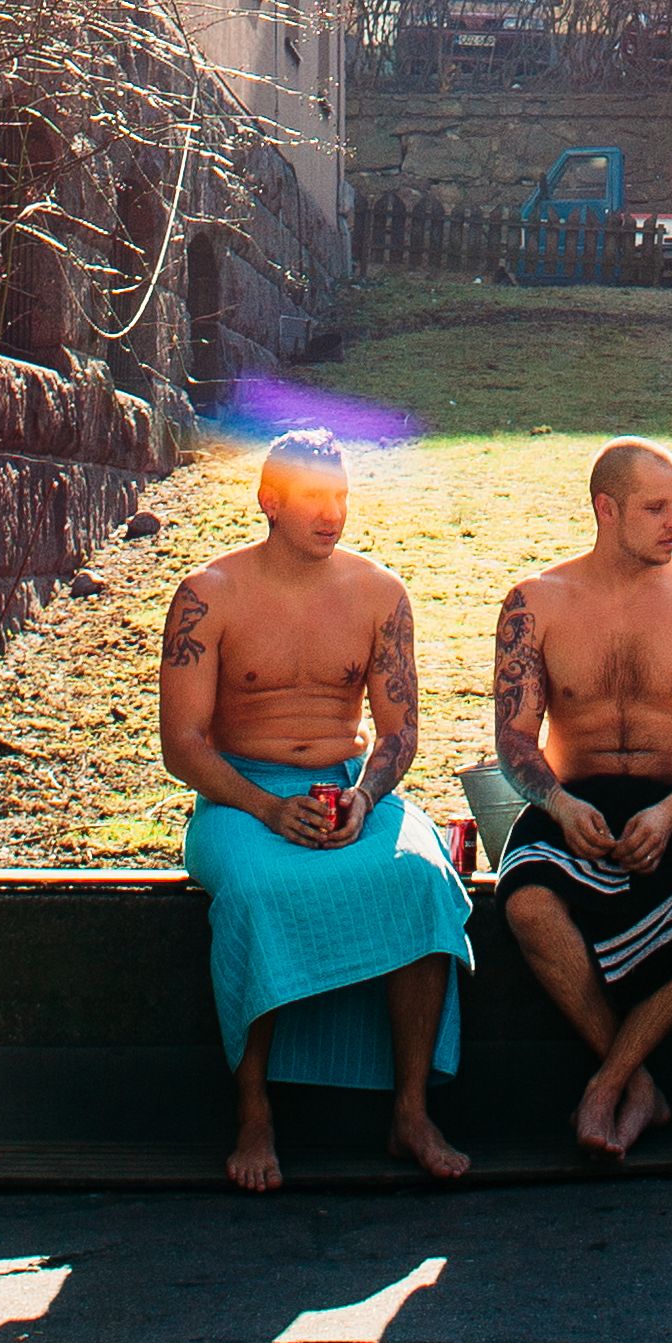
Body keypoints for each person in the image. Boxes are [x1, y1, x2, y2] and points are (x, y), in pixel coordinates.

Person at [159, 425, 473, 1193]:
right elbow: (183, 746)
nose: (331, 514)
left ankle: (410, 1110)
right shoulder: (210, 595)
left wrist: (365, 797)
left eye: (340, 496)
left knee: (425, 877)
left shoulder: (379, 594)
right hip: (239, 799)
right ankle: (254, 1108)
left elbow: (401, 734)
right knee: (264, 891)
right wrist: (268, 810)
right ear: (269, 499)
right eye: (311, 499)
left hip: (346, 788)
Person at [490, 441, 672, 1162]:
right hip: (572, 803)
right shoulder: (536, 601)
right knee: (524, 900)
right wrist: (555, 803)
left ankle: (608, 1085)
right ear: (606, 510)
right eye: (656, 508)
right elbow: (514, 740)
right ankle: (636, 1081)